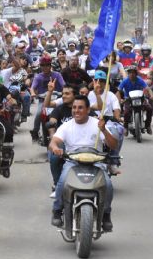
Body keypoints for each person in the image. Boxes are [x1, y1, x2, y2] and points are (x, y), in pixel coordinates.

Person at [49, 95, 118, 230]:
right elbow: (54, 141)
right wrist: (55, 148)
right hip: (72, 161)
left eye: (80, 108)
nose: (76, 111)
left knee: (108, 185)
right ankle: (57, 210)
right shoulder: (66, 126)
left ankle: (106, 214)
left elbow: (113, 145)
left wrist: (104, 130)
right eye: (74, 108)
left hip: (96, 161)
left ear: (87, 110)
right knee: (62, 182)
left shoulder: (98, 124)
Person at [89, 70, 125, 174]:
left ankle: (113, 161)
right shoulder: (89, 94)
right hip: (92, 121)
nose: (99, 83)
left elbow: (116, 109)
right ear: (93, 81)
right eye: (97, 80)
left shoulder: (111, 95)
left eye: (102, 81)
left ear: (106, 83)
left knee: (119, 130)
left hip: (108, 122)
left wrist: (117, 117)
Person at [45, 83, 76, 196]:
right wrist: (52, 132)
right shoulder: (59, 109)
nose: (64, 96)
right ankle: (57, 185)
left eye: (67, 94)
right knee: (54, 158)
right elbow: (52, 122)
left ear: (75, 95)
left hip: (80, 142)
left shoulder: (81, 108)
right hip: (63, 141)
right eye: (63, 93)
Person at [29, 56, 66, 142]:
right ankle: (35, 131)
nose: (45, 67)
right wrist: (33, 93)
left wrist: (66, 91)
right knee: (38, 114)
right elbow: (32, 88)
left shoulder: (57, 75)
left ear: (50, 65)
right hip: (43, 101)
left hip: (57, 99)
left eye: (47, 65)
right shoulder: (38, 77)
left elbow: (64, 85)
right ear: (40, 66)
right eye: (43, 65)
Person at [117, 65, 153, 136]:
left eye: (133, 72)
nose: (132, 74)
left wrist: (151, 95)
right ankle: (125, 127)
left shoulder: (140, 80)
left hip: (140, 98)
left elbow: (148, 88)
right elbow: (118, 90)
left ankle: (148, 125)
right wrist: (119, 99)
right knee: (126, 112)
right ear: (128, 73)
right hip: (128, 99)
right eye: (130, 72)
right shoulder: (125, 81)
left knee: (149, 109)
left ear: (136, 74)